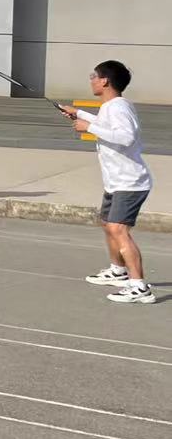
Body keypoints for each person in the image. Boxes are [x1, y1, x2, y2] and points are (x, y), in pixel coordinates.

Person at [62, 61, 157, 304]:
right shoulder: (111, 106)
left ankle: (139, 286)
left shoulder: (118, 107)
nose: (91, 80)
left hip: (130, 182)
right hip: (116, 181)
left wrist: (88, 127)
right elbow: (106, 126)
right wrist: (79, 113)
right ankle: (118, 271)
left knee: (118, 229)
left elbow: (126, 137)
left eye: (93, 76)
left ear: (104, 81)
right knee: (107, 224)